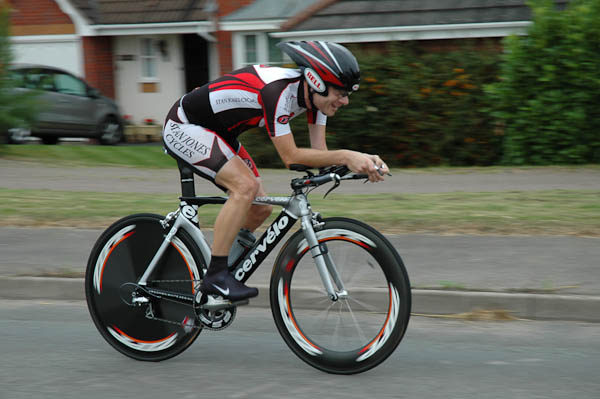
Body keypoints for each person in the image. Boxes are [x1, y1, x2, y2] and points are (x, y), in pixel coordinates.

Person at [162, 41, 389, 302]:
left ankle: (223, 277)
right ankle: (215, 278)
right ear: (316, 81)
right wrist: (349, 156)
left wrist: (365, 164)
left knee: (260, 207)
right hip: (184, 125)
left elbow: (320, 156)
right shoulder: (278, 92)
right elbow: (291, 157)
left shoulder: (317, 102)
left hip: (219, 132)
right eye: (341, 92)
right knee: (244, 188)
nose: (346, 101)